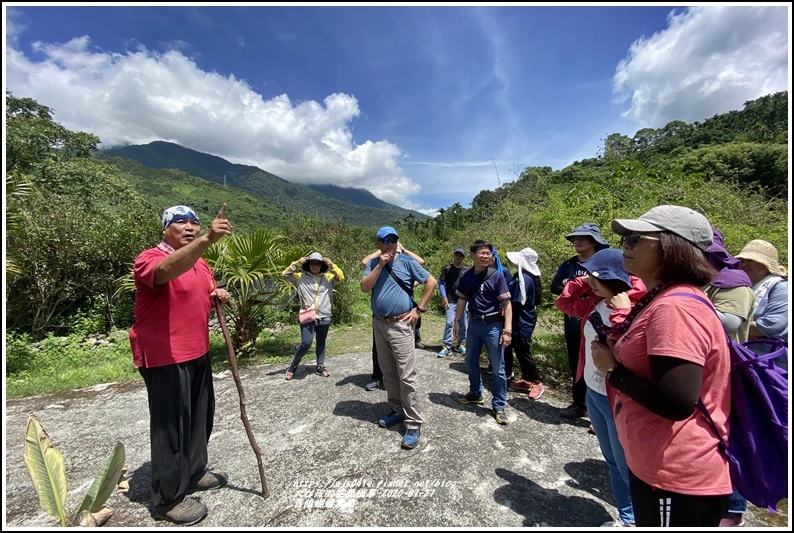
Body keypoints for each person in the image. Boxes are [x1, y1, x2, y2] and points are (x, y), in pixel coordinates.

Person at [591, 205, 731, 527]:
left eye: (636, 238)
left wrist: (612, 369)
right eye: (625, 238)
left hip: (676, 474)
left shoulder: (675, 308)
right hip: (656, 464)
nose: (625, 244)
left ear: (673, 246)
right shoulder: (663, 297)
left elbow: (676, 401)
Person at [130, 204, 232, 525]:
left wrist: (217, 295)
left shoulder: (200, 264)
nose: (189, 227)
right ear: (165, 230)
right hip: (164, 355)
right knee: (171, 426)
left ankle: (192, 473)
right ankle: (168, 499)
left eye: (194, 223)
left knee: (200, 418)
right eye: (180, 222)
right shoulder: (150, 257)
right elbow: (164, 273)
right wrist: (206, 239)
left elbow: (201, 294)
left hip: (197, 351)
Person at [554, 248, 647, 527]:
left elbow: (633, 351)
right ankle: (627, 516)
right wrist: (586, 281)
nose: (590, 278)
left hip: (619, 396)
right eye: (590, 273)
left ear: (616, 276)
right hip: (594, 393)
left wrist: (620, 309)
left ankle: (641, 518)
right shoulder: (596, 303)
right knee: (611, 461)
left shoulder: (638, 306)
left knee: (627, 464)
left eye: (597, 274)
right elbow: (564, 302)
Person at [361, 226, 437, 450]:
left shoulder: (407, 262)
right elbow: (365, 288)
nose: (390, 243)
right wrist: (381, 265)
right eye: (385, 240)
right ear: (378, 243)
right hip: (379, 324)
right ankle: (396, 410)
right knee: (388, 372)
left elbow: (430, 282)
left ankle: (413, 422)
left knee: (407, 374)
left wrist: (419, 310)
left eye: (393, 239)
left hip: (401, 325)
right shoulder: (373, 264)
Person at [702, 229, 754, 528]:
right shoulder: (707, 282)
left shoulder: (734, 283)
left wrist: (684, 299)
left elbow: (731, 322)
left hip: (729, 372)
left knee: (729, 439)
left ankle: (734, 508)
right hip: (706, 370)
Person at [551, 222, 609, 420]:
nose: (578, 240)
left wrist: (574, 287)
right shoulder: (569, 265)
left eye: (583, 237)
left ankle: (603, 411)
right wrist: (580, 286)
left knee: (603, 362)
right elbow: (555, 287)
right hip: (574, 320)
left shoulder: (605, 263)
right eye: (575, 238)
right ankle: (579, 404)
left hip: (603, 320)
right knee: (576, 362)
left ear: (594, 241)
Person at [453, 240, 513, 425]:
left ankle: (499, 405)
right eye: (482, 253)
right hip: (474, 325)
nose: (486, 256)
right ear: (472, 255)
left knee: (498, 367)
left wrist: (507, 330)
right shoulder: (467, 276)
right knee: (470, 361)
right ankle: (475, 393)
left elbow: (507, 304)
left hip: (493, 326)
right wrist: (457, 322)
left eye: (488, 253)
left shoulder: (496, 276)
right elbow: (462, 300)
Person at [361, 243, 426, 391]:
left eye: (393, 244)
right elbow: (364, 262)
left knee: (402, 352)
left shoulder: (406, 264)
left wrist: (403, 250)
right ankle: (378, 377)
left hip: (404, 315)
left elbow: (421, 262)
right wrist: (382, 251)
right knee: (379, 349)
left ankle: (400, 381)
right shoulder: (377, 263)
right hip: (381, 316)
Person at [282, 252, 344, 380]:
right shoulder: (300, 278)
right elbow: (285, 274)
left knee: (321, 341)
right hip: (307, 316)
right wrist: (297, 263)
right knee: (306, 342)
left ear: (322, 266)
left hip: (324, 316)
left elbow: (341, 277)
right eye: (312, 264)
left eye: (318, 264)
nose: (315, 266)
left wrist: (332, 264)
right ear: (308, 265)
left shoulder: (328, 278)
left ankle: (320, 366)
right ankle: (293, 365)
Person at [735, 239, 789, 362]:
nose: (744, 264)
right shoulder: (745, 289)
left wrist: (734, 326)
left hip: (772, 365)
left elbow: (774, 324)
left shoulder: (782, 288)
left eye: (751, 260)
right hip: (747, 359)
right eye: (742, 261)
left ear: (766, 265)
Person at [503, 247, 545, 400]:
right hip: (519, 320)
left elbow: (516, 301)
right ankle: (526, 379)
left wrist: (504, 311)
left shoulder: (524, 279)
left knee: (523, 351)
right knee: (515, 349)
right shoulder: (522, 276)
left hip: (521, 321)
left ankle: (535, 381)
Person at [437, 248, 469, 357]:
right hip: (450, 300)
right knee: (449, 322)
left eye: (460, 256)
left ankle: (460, 344)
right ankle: (447, 346)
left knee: (463, 324)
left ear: (463, 258)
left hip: (463, 301)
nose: (458, 257)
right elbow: (441, 283)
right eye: (456, 255)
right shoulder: (447, 269)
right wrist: (443, 296)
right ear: (454, 256)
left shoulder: (466, 270)